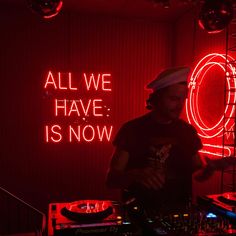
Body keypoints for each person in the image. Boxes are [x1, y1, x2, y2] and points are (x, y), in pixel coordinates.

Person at [106, 66, 225, 212]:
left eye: (182, 99)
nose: (180, 105)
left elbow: (197, 172)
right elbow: (111, 180)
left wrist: (208, 170)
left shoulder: (187, 131)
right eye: (174, 99)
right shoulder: (131, 130)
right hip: (139, 216)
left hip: (180, 214)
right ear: (156, 98)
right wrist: (135, 175)